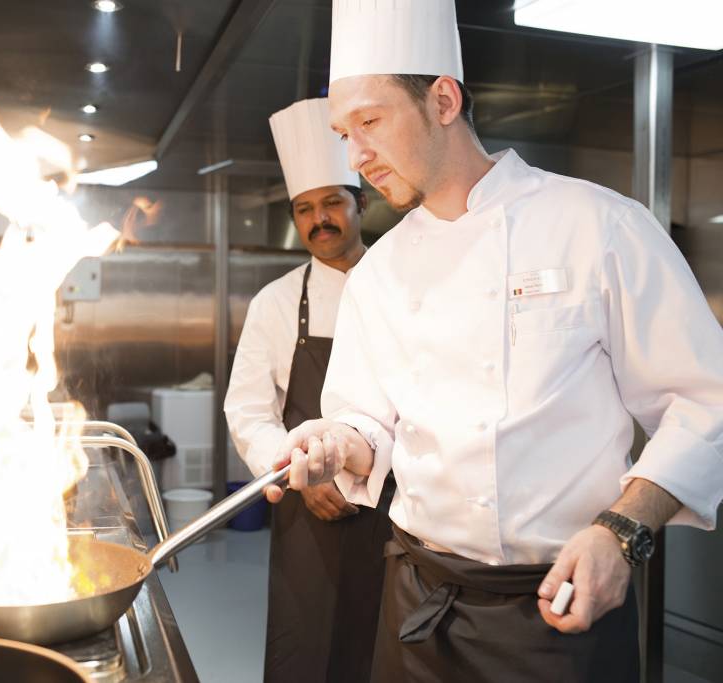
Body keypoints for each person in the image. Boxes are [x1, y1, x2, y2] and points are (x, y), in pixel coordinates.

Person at [265, 1, 723, 681]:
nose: (354, 156)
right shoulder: (379, 271)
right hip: (416, 605)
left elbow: (705, 401)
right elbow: (366, 419)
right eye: (343, 133)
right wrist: (336, 441)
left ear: (443, 100)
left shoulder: (600, 227)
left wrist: (622, 532)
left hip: (560, 607)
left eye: (369, 122)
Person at [224, 97, 396, 682]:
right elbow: (248, 410)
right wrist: (300, 472)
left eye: (332, 203)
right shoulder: (275, 302)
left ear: (360, 204)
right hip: (307, 507)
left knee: (383, 651)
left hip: (396, 508)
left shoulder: (402, 287)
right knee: (306, 650)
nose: (319, 219)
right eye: (305, 209)